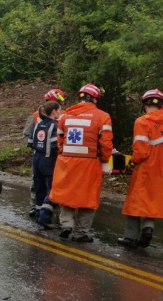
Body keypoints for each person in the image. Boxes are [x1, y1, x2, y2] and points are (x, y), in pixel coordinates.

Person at [49, 83, 113, 243]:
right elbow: (106, 143)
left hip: (66, 162)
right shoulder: (102, 116)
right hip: (89, 163)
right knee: (88, 198)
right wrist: (105, 161)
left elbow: (59, 141)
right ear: (95, 99)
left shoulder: (64, 116)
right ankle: (80, 233)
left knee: (66, 194)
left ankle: (66, 225)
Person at [117, 89, 163, 248]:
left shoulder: (142, 122)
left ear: (144, 104)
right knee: (153, 200)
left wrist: (131, 162)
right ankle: (148, 229)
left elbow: (142, 152)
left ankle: (130, 238)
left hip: (146, 168)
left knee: (136, 201)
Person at [22, 88, 67, 216]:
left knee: (47, 182)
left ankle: (47, 207)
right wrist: (37, 147)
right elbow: (27, 134)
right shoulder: (36, 115)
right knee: (40, 182)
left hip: (49, 155)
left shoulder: (64, 114)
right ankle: (37, 207)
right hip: (47, 155)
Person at [27, 101, 61, 226]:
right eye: (59, 110)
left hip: (36, 159)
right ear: (54, 111)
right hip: (49, 161)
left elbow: (30, 142)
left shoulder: (38, 124)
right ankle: (44, 217)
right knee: (52, 189)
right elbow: (56, 145)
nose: (60, 112)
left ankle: (38, 213)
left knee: (39, 188)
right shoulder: (54, 125)